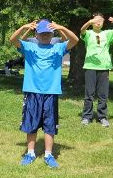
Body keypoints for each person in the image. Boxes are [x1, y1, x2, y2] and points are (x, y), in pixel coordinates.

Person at [10, 19, 78, 168]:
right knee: (31, 124)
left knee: (50, 125)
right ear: (37, 34)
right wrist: (23, 27)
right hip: (32, 91)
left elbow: (75, 40)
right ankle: (30, 153)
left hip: (51, 92)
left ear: (52, 33)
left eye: (48, 33)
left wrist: (61, 27)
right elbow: (13, 39)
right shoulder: (29, 47)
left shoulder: (58, 48)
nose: (45, 36)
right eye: (42, 33)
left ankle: (48, 154)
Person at [80, 13, 113, 127]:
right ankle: (86, 117)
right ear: (92, 22)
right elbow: (82, 30)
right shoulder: (88, 33)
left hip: (104, 67)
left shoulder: (107, 33)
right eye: (96, 20)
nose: (98, 22)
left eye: (100, 20)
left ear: (103, 23)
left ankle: (102, 117)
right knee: (89, 94)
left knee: (103, 94)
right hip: (90, 66)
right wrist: (89, 22)